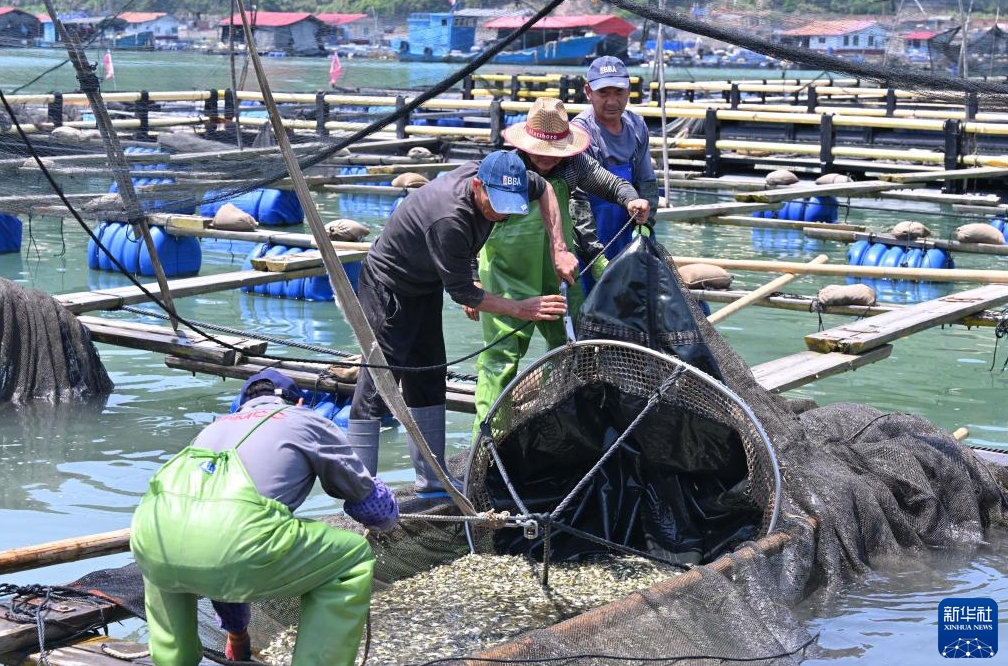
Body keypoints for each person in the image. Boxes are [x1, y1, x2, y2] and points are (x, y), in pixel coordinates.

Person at [347, 150, 579, 497]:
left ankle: (431, 478)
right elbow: (464, 294)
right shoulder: (449, 218)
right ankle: (361, 492)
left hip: (426, 283)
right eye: (495, 204)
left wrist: (558, 248)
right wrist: (522, 309)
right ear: (477, 186)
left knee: (429, 373)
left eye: (509, 205)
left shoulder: (510, 176)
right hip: (389, 284)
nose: (501, 213)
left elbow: (544, 188)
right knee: (379, 383)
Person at [130, 368, 399, 666]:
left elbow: (216, 544)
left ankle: (172, 660)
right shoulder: (304, 418)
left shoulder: (212, 429)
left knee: (167, 552)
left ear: (242, 405)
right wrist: (387, 519)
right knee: (352, 558)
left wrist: (237, 633)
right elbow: (367, 500)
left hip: (150, 539)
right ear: (299, 402)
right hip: (234, 544)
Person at [468, 97, 650, 440]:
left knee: (572, 349)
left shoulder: (574, 165)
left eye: (554, 152)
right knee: (500, 359)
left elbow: (611, 183)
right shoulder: (505, 168)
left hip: (559, 275)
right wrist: (471, 279)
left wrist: (632, 199)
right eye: (540, 151)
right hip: (505, 278)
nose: (547, 158)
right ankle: (488, 439)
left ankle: (557, 423)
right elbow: (470, 221)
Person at [572, 55, 659, 292]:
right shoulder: (581, 132)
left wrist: (645, 227)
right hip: (589, 238)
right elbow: (577, 201)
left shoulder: (637, 126)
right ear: (588, 92)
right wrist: (595, 255)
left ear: (629, 90)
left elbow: (647, 183)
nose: (612, 101)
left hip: (628, 228)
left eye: (619, 92)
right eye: (603, 93)